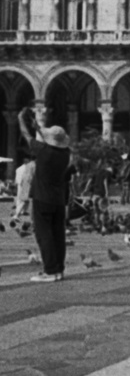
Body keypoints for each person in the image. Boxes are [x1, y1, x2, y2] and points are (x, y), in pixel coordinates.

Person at [18, 108, 73, 283]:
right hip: (58, 199)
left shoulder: (43, 151)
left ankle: (50, 271)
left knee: (44, 235)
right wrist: (39, 128)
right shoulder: (65, 154)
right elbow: (51, 142)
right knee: (58, 235)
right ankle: (59, 270)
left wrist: (21, 119)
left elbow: (26, 135)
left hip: (42, 198)